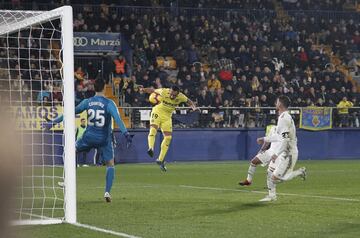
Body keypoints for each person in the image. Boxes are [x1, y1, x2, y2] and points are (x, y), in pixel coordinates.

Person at [48, 79, 133, 202]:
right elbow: (118, 119)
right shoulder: (109, 103)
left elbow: (70, 112)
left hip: (88, 137)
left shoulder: (87, 102)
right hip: (104, 140)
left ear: (94, 88)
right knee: (110, 165)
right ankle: (107, 192)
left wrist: (54, 122)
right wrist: (126, 134)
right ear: (104, 87)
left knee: (70, 152)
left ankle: (68, 181)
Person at [256, 95, 306, 202]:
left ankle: (300, 172)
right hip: (284, 152)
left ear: (280, 104)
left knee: (276, 177)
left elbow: (285, 139)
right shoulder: (283, 117)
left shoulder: (284, 118)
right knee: (270, 172)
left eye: (277, 102)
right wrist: (265, 139)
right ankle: (272, 195)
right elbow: (279, 137)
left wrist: (276, 154)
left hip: (289, 154)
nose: (275, 103)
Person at [140, 85, 198, 171]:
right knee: (153, 130)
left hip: (167, 117)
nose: (172, 96)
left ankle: (160, 160)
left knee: (168, 138)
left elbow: (189, 101)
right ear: (170, 91)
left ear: (177, 94)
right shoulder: (164, 91)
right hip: (158, 112)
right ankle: (151, 148)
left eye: (174, 95)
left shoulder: (181, 96)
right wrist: (143, 89)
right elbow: (152, 90)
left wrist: (194, 107)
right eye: (171, 94)